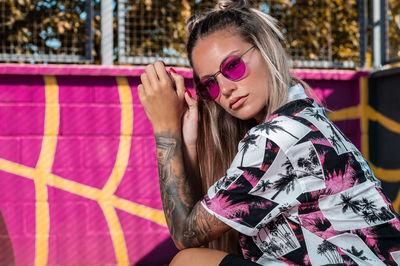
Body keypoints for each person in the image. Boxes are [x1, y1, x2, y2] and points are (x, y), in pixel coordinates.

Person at [138, 0, 400, 265]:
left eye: (232, 66)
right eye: (210, 84)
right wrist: (190, 142)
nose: (225, 88)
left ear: (265, 50)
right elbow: (198, 220)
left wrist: (165, 127)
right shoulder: (304, 117)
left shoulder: (277, 137)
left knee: (190, 262)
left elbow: (185, 234)